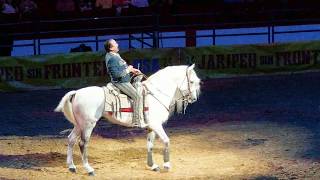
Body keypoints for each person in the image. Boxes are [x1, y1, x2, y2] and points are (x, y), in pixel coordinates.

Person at [104, 39, 147, 128]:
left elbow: (122, 66)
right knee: (137, 97)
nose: (117, 44)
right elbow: (116, 75)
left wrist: (133, 70)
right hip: (120, 82)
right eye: (115, 43)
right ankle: (137, 121)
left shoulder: (116, 55)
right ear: (111, 48)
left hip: (125, 79)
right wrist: (129, 70)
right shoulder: (112, 58)